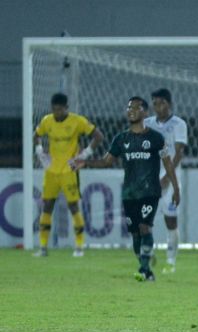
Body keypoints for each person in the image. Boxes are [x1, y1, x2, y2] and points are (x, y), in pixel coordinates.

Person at [73, 96, 180, 282]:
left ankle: (144, 268)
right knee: (136, 236)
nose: (131, 110)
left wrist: (176, 188)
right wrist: (86, 162)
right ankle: (146, 267)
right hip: (130, 193)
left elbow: (168, 163)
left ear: (145, 112)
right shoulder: (121, 139)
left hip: (150, 192)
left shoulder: (156, 138)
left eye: (136, 108)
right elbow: (106, 162)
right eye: (129, 107)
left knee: (144, 227)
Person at [33, 93, 104, 257]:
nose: (58, 113)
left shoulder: (77, 121)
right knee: (47, 206)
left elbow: (98, 136)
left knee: (73, 207)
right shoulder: (46, 121)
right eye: (55, 109)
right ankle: (43, 247)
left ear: (66, 108)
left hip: (69, 171)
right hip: (51, 171)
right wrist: (39, 151)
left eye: (61, 109)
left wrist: (86, 153)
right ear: (52, 109)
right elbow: (36, 135)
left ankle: (79, 247)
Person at [143, 88, 188, 274]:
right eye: (154, 103)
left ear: (168, 104)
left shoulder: (179, 124)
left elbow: (178, 153)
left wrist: (167, 178)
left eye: (161, 103)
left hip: (171, 176)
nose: (157, 107)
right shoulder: (147, 123)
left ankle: (171, 261)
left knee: (170, 219)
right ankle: (148, 252)